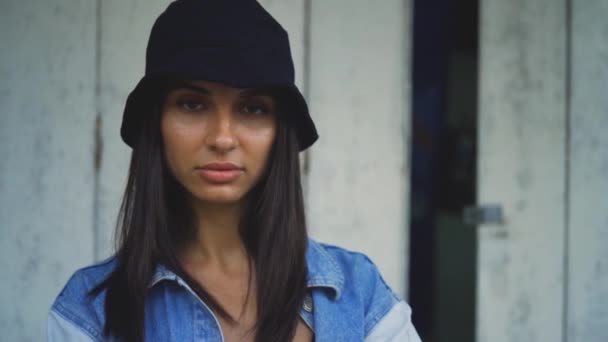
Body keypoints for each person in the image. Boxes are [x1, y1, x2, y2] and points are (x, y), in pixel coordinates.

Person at [48, 0, 421, 341]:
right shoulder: (88, 314)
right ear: (156, 124)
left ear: (280, 132)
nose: (222, 138)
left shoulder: (361, 296)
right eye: (193, 104)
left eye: (252, 108)